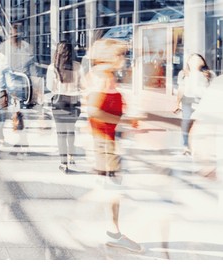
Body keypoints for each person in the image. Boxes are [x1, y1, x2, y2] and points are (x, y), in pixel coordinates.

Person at [85, 38, 142, 253]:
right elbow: (94, 111)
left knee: (110, 188)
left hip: (106, 140)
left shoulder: (102, 75)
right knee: (112, 189)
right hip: (105, 143)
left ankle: (113, 231)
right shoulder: (103, 77)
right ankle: (112, 232)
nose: (124, 59)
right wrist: (125, 121)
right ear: (111, 56)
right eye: (121, 54)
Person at [45, 42, 82, 173]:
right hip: (74, 101)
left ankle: (63, 164)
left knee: (61, 134)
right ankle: (71, 156)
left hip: (59, 101)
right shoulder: (78, 66)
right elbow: (81, 85)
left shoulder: (52, 68)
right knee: (71, 131)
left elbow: (50, 87)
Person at [174, 53, 215, 156]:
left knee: (205, 124)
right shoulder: (183, 73)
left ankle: (206, 147)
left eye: (198, 59)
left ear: (202, 61)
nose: (195, 61)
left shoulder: (209, 74)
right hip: (187, 100)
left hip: (203, 101)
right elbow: (181, 89)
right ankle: (185, 146)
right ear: (188, 62)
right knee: (186, 123)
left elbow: (213, 89)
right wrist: (177, 103)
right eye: (192, 59)